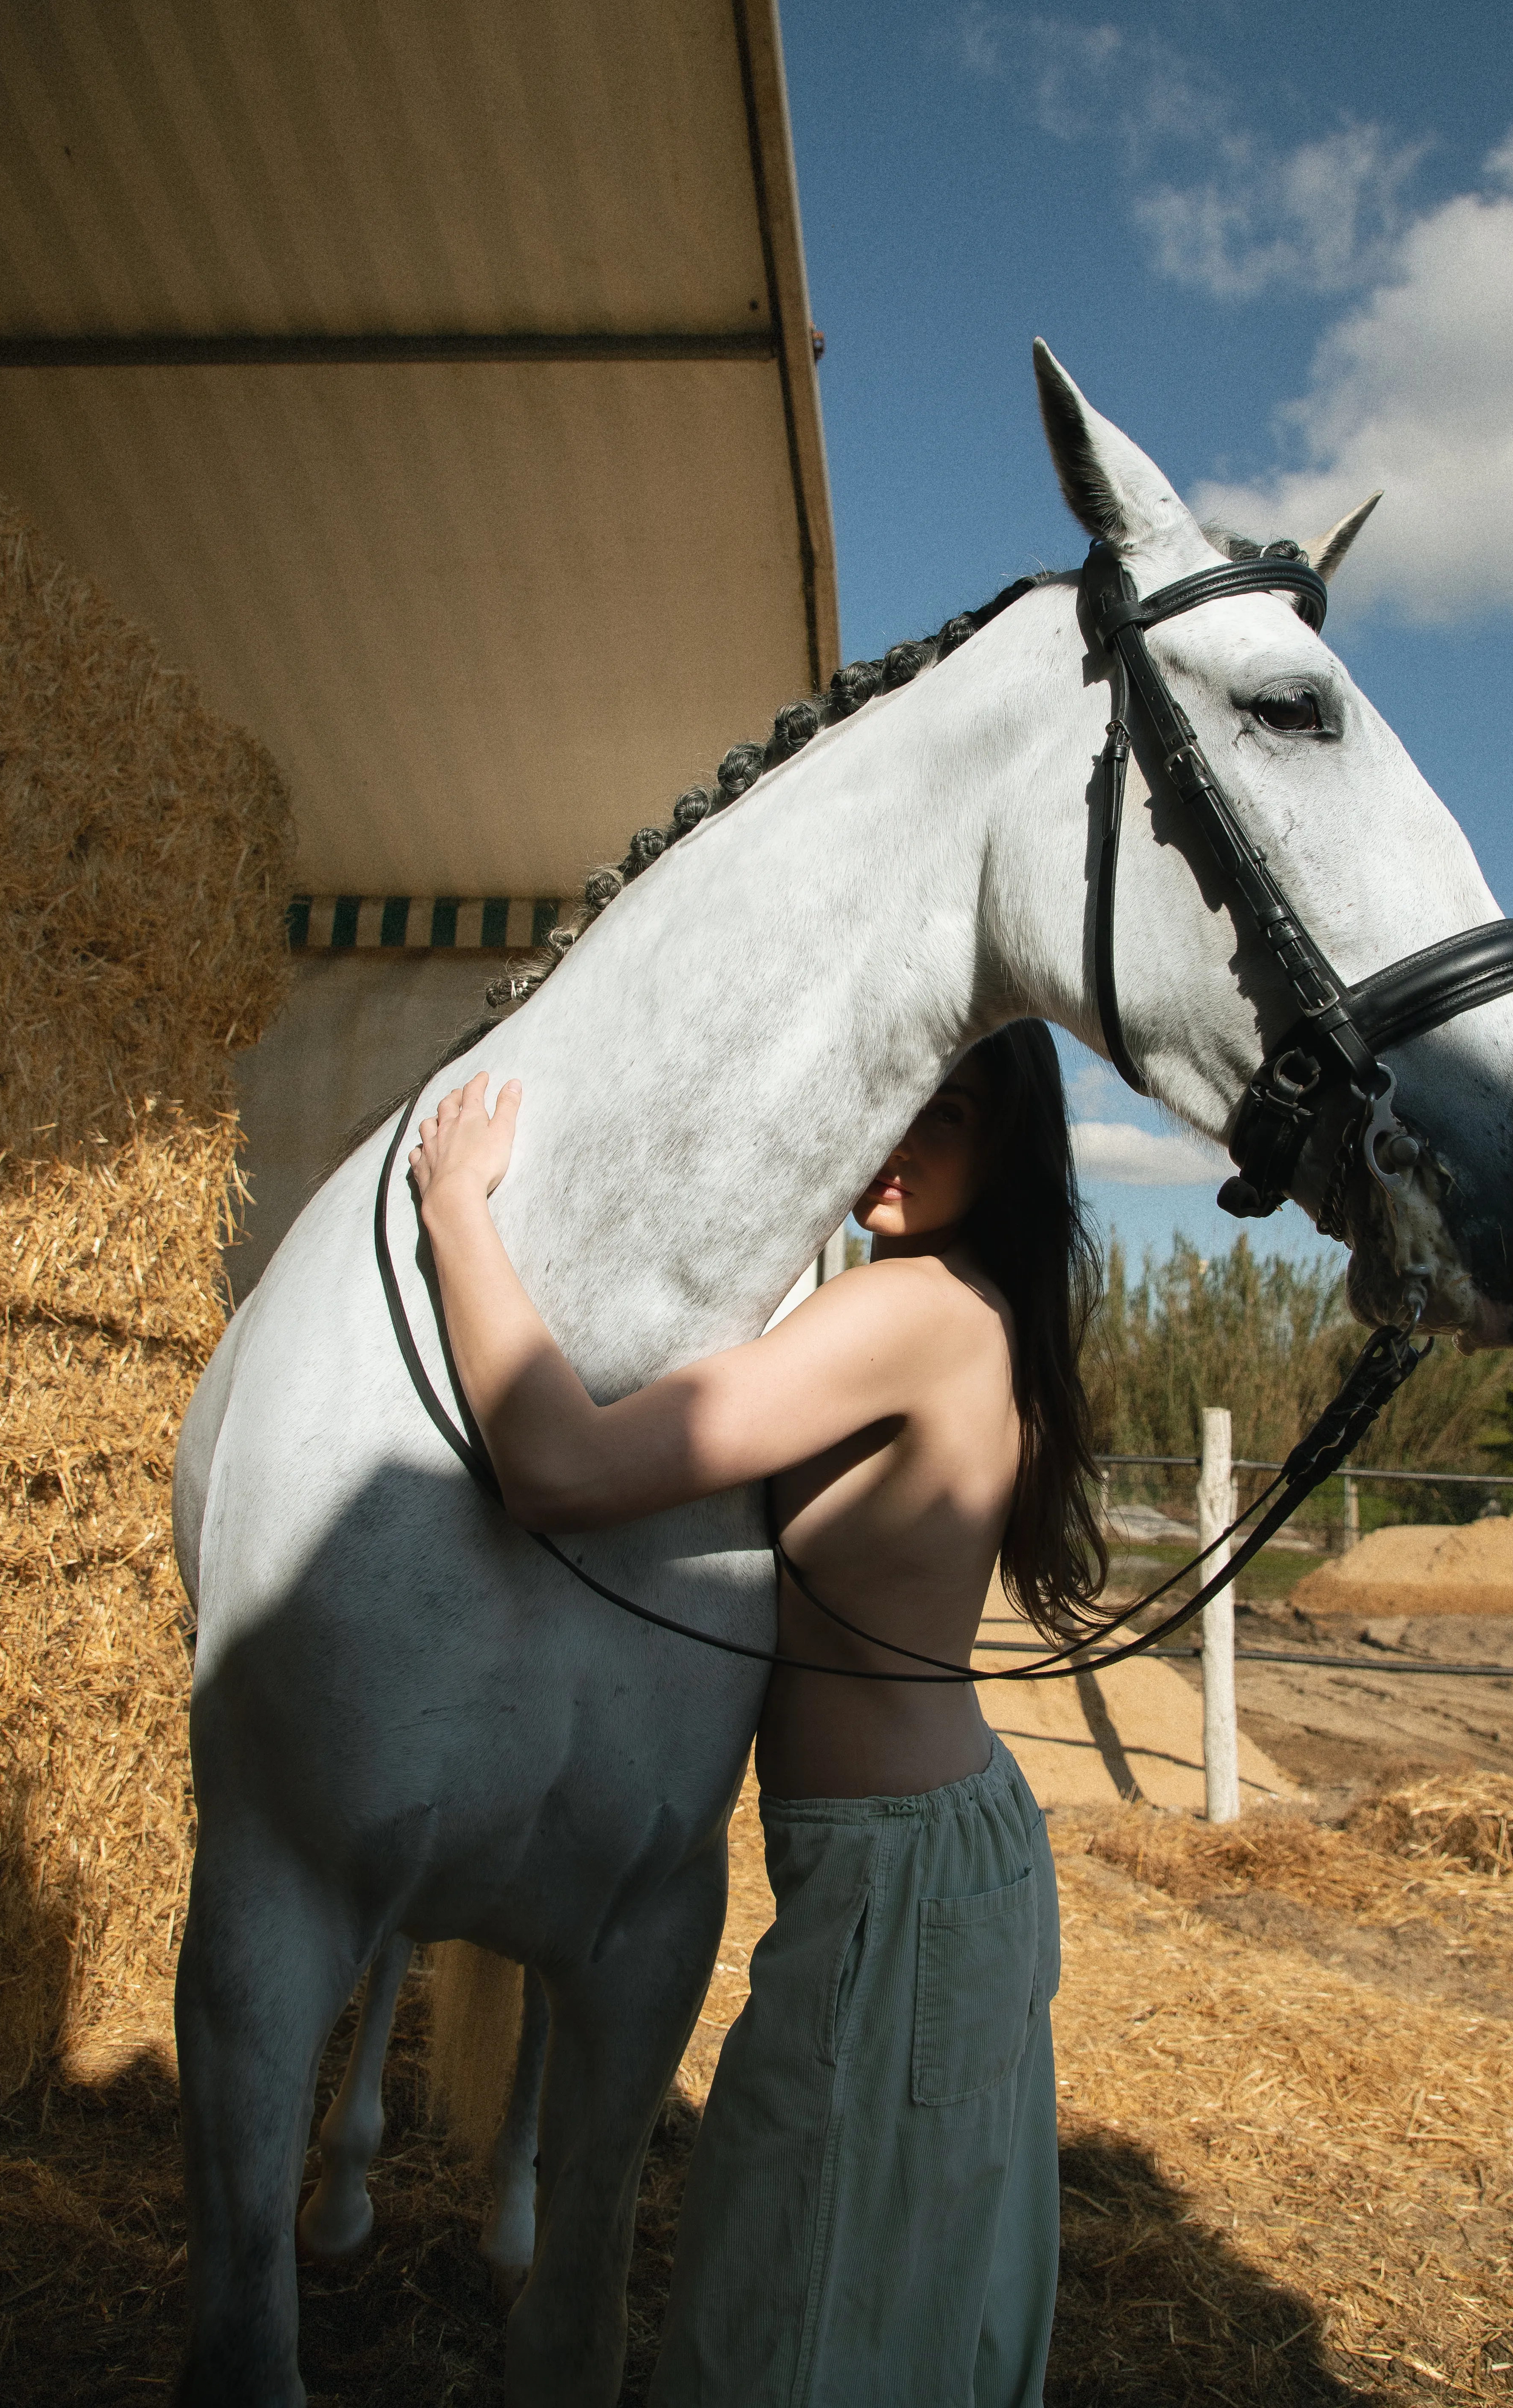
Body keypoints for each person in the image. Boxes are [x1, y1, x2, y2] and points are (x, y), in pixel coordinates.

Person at [410, 1020, 1108, 2408]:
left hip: (897, 1881)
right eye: (896, 1100)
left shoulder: (908, 1310)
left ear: (1009, 1144)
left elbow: (557, 1465)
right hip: (929, 1856)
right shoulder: (978, 1307)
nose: (903, 1141)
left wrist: (454, 1216)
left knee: (791, 2304)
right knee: (896, 2300)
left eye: (951, 1116)